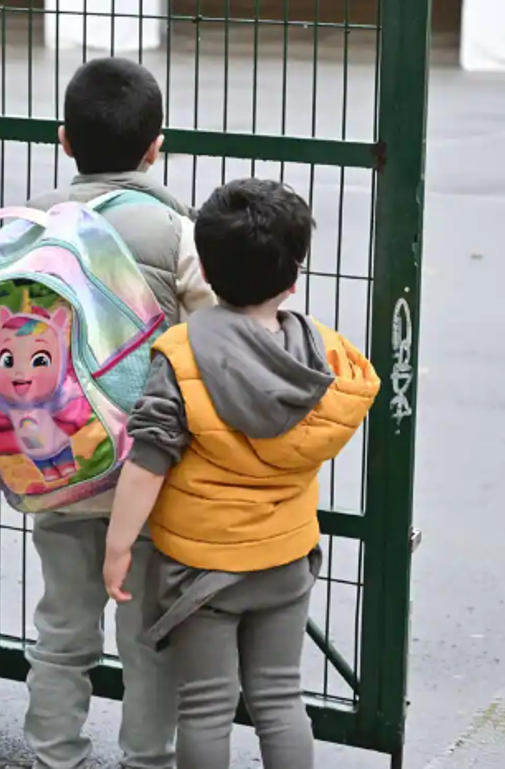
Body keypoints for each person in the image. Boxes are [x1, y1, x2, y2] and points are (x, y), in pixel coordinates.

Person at [102, 179, 380, 769]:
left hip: (204, 569)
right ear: (293, 277)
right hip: (285, 560)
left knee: (205, 706)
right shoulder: (320, 355)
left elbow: (149, 460)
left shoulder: (181, 355)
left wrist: (119, 544)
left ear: (202, 267)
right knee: (281, 700)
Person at [23, 57, 216, 769]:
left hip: (54, 459)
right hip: (149, 472)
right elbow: (209, 346)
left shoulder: (30, 220)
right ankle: (146, 761)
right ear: (156, 144)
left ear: (64, 139)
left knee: (61, 634)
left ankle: (53, 758)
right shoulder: (178, 233)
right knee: (148, 637)